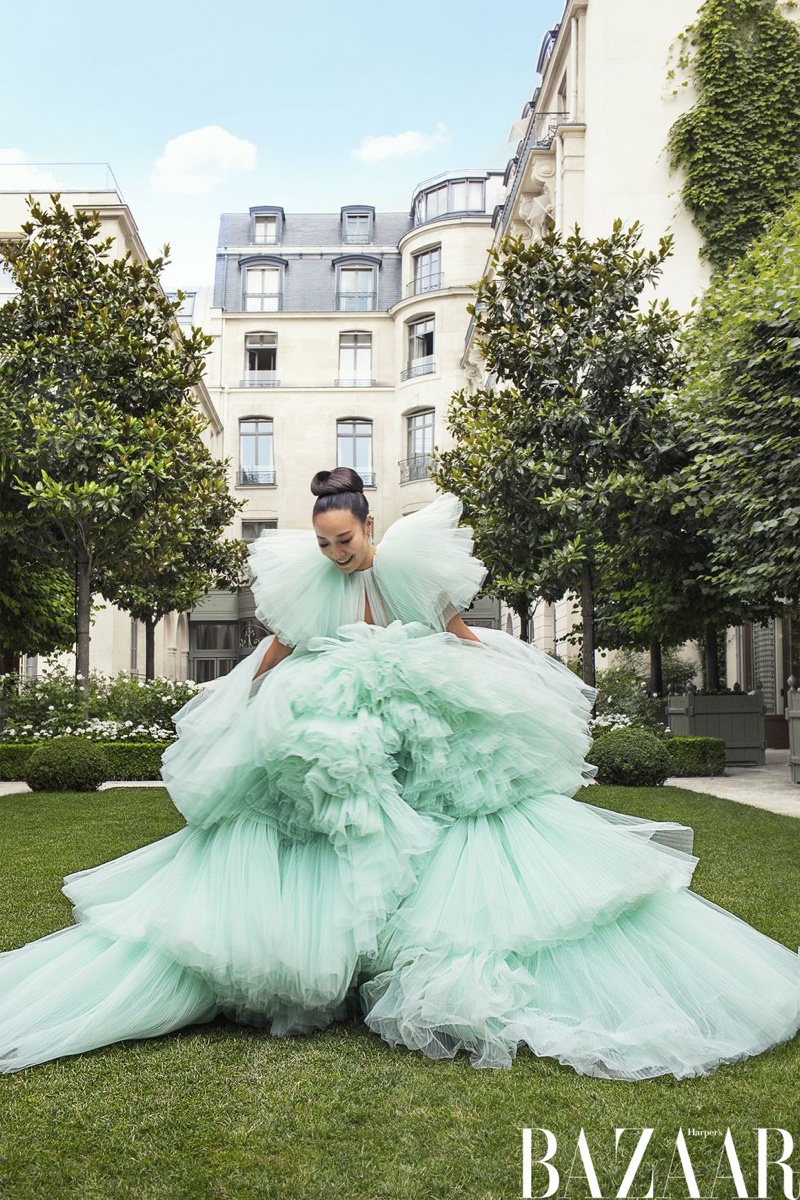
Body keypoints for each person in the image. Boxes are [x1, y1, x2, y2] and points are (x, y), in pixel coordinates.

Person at [0, 468, 797, 1078]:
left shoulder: (409, 567)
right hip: (341, 721)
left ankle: (411, 952)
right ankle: (338, 959)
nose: (334, 555)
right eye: (323, 543)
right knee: (329, 818)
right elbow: (280, 643)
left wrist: (506, 690)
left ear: (368, 526)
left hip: (419, 711)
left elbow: (456, 634)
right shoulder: (314, 580)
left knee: (454, 821)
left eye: (343, 540)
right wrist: (245, 693)